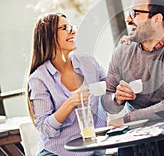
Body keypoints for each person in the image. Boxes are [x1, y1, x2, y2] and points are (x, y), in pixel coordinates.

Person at [101, 0, 164, 155]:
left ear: (156, 19)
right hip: (136, 134)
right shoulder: (122, 51)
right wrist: (117, 98)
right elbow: (108, 103)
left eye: (135, 13)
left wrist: (127, 119)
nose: (128, 19)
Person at [27, 13, 107, 156]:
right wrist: (70, 102)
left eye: (71, 27)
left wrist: (118, 95)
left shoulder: (88, 63)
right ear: (49, 36)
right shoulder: (39, 79)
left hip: (93, 150)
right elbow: (45, 128)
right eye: (65, 28)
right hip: (58, 152)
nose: (73, 31)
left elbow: (110, 91)